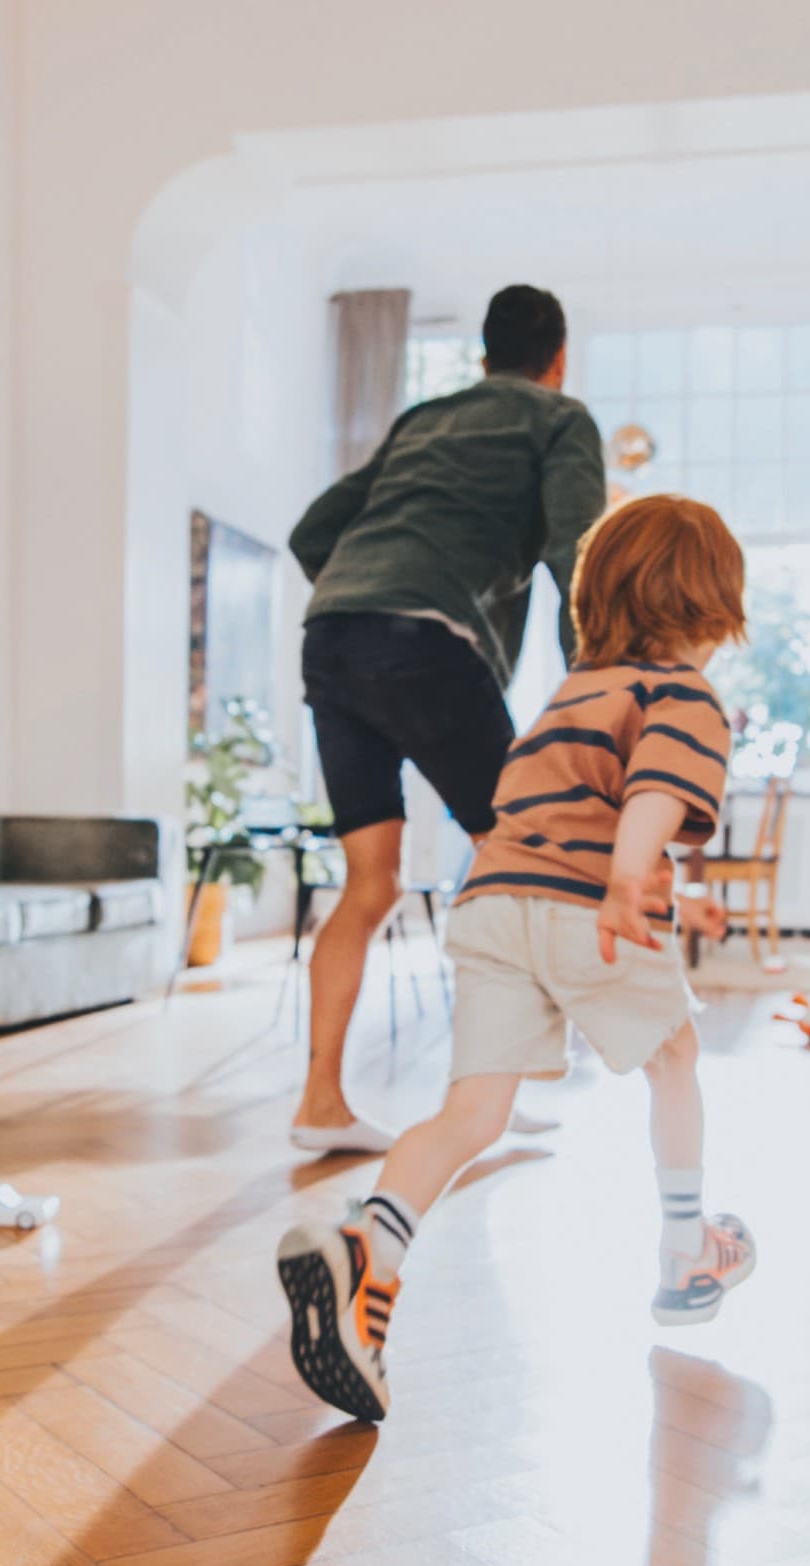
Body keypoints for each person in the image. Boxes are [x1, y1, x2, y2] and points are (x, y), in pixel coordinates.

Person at [276, 494, 753, 1422]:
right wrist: (627, 879)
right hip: (588, 910)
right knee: (678, 1058)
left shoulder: (570, 695)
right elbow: (655, 790)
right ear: (712, 607)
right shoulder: (683, 694)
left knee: (470, 1115)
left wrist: (636, 876)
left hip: (493, 910)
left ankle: (369, 1255)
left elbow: (546, 813)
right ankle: (688, 1253)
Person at [288, 284, 608, 1156]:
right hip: (423, 644)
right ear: (559, 356)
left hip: (333, 636)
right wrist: (596, 677)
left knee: (370, 884)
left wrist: (367, 586)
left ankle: (319, 1105)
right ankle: (489, 1101)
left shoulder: (424, 419)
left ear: (482, 356)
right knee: (523, 855)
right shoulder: (560, 418)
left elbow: (316, 529)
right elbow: (574, 549)